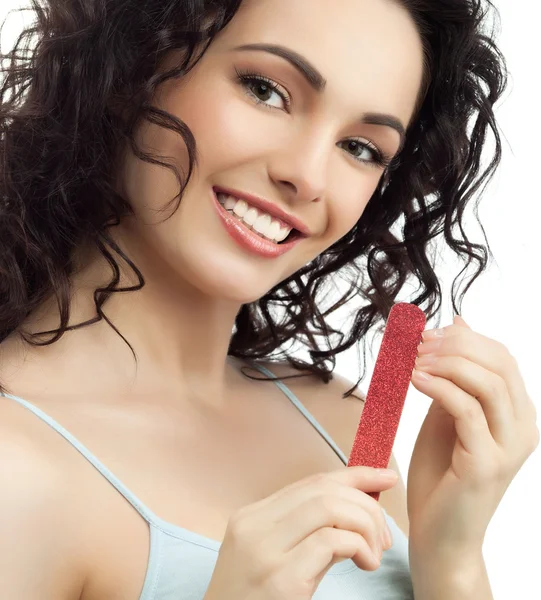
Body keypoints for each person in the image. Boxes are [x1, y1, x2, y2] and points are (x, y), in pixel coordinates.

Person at [0, 0, 538, 598]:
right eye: (265, 90)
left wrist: (454, 560)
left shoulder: (348, 421)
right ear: (131, 67)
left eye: (361, 148)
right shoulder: (15, 470)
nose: (308, 176)